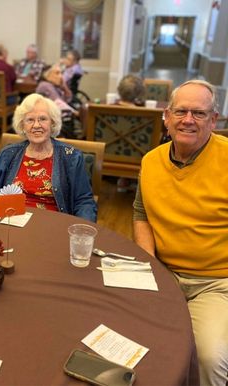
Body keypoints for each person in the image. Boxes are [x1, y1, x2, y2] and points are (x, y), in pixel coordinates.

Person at [133, 79, 227, 386]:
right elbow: (141, 213)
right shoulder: (151, 161)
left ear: (214, 119)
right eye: (181, 111)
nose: (188, 120)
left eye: (199, 113)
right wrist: (151, 267)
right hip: (164, 273)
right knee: (124, 335)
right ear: (166, 115)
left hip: (215, 283)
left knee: (208, 357)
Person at [0, 93, 97, 222]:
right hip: (11, 224)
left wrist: (82, 230)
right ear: (22, 126)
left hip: (51, 227)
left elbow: (84, 201)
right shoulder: (8, 154)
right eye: (30, 120)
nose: (36, 125)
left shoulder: (71, 157)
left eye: (43, 119)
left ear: (53, 123)